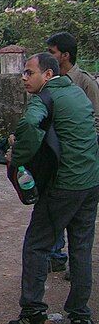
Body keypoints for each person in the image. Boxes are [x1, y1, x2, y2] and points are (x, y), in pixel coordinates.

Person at [7, 53, 99, 324]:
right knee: (81, 249)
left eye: (29, 72)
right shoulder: (77, 92)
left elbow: (30, 126)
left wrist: (16, 156)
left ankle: (33, 312)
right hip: (90, 183)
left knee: (37, 245)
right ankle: (80, 316)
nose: (24, 77)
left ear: (47, 75)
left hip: (64, 186)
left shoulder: (44, 99)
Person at [45, 32, 99, 275]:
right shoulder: (50, 82)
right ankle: (56, 255)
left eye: (53, 52)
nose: (50, 57)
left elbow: (95, 121)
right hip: (55, 159)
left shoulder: (85, 83)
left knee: (75, 217)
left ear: (65, 55)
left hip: (78, 161)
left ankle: (75, 269)